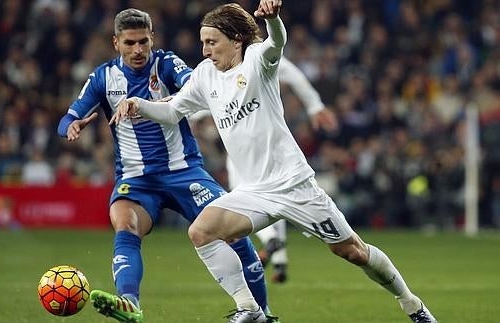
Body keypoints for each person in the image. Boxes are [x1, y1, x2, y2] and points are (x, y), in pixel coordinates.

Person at [113, 1, 437, 323]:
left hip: (294, 184)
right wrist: (137, 105)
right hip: (254, 191)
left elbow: (276, 43)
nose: (205, 50)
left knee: (353, 251)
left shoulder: (255, 60)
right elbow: (172, 111)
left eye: (212, 42)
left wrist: (274, 20)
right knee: (202, 231)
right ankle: (249, 309)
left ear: (235, 40)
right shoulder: (204, 76)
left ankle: (412, 304)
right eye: (203, 42)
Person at [57, 8, 278, 323]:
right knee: (125, 223)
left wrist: (164, 101)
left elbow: (194, 86)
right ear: (116, 42)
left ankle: (264, 313)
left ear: (152, 39)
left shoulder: (166, 64)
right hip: (136, 179)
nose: (138, 50)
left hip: (184, 171)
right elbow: (67, 117)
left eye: (143, 42)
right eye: (130, 43)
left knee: (232, 233)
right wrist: (71, 127)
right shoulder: (103, 77)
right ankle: (130, 304)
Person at [226, 56, 338, 283]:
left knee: (242, 199)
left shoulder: (233, 61)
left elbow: (199, 103)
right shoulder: (261, 54)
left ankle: (269, 241)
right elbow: (295, 75)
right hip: (272, 141)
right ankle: (280, 262)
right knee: (276, 196)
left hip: (242, 145)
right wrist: (315, 105)